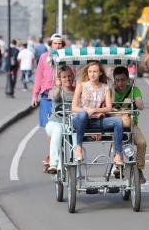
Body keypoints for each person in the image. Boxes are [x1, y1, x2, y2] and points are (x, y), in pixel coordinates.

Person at [71, 61, 124, 165]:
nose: (92, 74)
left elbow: (108, 107)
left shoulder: (105, 88)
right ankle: (78, 147)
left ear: (100, 73)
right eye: (90, 71)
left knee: (118, 122)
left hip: (96, 121)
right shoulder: (81, 85)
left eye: (95, 71)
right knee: (83, 114)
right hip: (81, 120)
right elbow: (74, 107)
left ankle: (118, 154)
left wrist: (95, 110)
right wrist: (87, 112)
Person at [32, 34, 65, 167]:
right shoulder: (44, 57)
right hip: (47, 96)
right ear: (50, 44)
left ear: (62, 45)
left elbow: (72, 76)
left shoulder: (65, 58)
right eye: (55, 43)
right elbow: (39, 76)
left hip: (61, 96)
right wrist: (34, 95)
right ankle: (53, 155)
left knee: (62, 126)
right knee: (49, 128)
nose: (57, 46)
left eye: (59, 43)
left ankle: (55, 154)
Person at [113, 66, 147, 183]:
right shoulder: (111, 91)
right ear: (114, 81)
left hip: (132, 125)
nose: (120, 83)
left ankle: (139, 168)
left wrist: (133, 100)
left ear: (128, 79)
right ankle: (117, 166)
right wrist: (113, 93)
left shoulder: (134, 89)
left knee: (142, 143)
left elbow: (141, 106)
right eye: (117, 80)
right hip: (116, 125)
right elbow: (108, 107)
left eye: (123, 80)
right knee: (115, 141)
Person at [45, 66, 76, 174]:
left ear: (73, 77)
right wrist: (58, 87)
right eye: (64, 77)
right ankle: (53, 163)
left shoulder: (77, 91)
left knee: (76, 132)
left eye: (69, 76)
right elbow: (55, 97)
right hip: (55, 123)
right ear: (59, 79)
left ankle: (76, 159)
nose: (67, 79)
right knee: (58, 129)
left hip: (70, 123)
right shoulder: (56, 90)